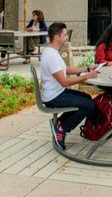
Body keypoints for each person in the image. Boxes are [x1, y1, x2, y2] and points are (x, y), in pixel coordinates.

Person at [40, 22, 99, 150]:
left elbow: (65, 70)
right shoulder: (51, 56)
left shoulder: (52, 51)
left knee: (88, 99)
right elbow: (64, 82)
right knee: (89, 105)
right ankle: (61, 128)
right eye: (65, 35)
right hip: (53, 97)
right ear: (57, 37)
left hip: (57, 92)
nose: (67, 37)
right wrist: (87, 76)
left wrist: (87, 68)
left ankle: (61, 124)